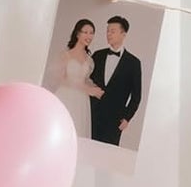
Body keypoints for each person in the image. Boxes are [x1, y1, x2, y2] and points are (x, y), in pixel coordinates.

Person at [89, 15, 142, 146]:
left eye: (112, 31)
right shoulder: (97, 55)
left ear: (123, 34)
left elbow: (136, 95)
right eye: (107, 31)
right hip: (91, 114)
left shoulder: (133, 63)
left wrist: (127, 118)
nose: (108, 34)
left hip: (115, 120)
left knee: (107, 155)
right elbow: (87, 80)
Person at [51, 18, 102, 141]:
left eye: (91, 33)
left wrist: (94, 89)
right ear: (78, 33)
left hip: (81, 100)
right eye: (85, 32)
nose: (89, 36)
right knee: (62, 129)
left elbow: (85, 79)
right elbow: (60, 79)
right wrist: (87, 89)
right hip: (66, 96)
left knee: (77, 132)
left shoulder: (90, 60)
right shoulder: (66, 55)